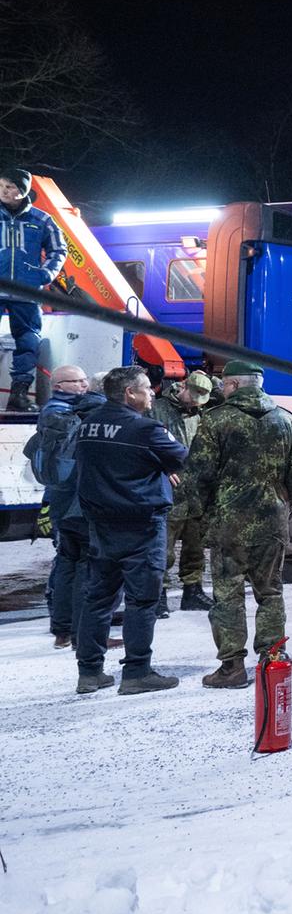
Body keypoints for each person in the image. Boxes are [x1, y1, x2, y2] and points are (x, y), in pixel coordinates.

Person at [184, 360, 292, 688]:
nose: (221, 390)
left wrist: (201, 515)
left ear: (234, 386)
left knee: (228, 594)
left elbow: (198, 475)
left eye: (224, 385)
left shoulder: (216, 421)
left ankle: (232, 668)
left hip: (230, 525)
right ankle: (272, 660)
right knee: (270, 591)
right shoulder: (287, 420)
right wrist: (284, 503)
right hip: (273, 522)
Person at [74, 365, 187, 695]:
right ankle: (137, 672)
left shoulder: (88, 425)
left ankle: (89, 672)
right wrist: (162, 467)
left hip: (100, 526)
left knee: (98, 599)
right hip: (142, 527)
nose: (153, 393)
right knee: (142, 601)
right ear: (130, 394)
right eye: (147, 388)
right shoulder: (145, 429)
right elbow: (181, 458)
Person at [35, 365, 105, 649]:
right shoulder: (58, 412)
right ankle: (80, 633)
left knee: (67, 563)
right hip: (75, 502)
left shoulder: (59, 410)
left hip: (64, 500)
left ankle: (63, 631)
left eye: (85, 380)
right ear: (59, 385)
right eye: (77, 381)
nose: (84, 385)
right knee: (83, 566)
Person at [0, 167, 67, 411]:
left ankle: (18, 395)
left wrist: (45, 274)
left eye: (9, 187)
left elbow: (59, 250)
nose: (3, 191)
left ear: (22, 191)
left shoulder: (42, 220)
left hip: (28, 292)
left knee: (28, 341)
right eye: (0, 186)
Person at [151, 370, 214, 613]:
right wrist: (164, 469)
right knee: (163, 548)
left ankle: (193, 591)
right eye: (194, 395)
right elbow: (147, 446)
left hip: (195, 492)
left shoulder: (201, 414)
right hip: (170, 491)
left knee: (195, 547)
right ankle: (159, 595)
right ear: (184, 387)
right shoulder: (157, 409)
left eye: (202, 398)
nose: (196, 402)